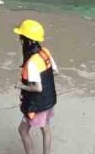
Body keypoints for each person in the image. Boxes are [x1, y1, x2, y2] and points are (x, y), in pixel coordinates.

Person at [14, 19, 58, 154]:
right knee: (45, 127)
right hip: (49, 100)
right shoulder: (44, 52)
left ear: (28, 41)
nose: (20, 40)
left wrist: (21, 86)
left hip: (36, 105)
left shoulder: (31, 63)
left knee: (22, 130)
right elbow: (55, 71)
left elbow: (37, 88)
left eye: (22, 38)